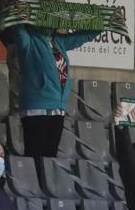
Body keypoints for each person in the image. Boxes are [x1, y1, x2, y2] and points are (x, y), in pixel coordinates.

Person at [6, 21, 101, 158]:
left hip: (58, 106)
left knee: (50, 157)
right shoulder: (29, 40)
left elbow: (84, 36)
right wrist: (19, 13)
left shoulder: (58, 41)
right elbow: (18, 28)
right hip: (36, 107)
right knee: (35, 155)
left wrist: (103, 22)